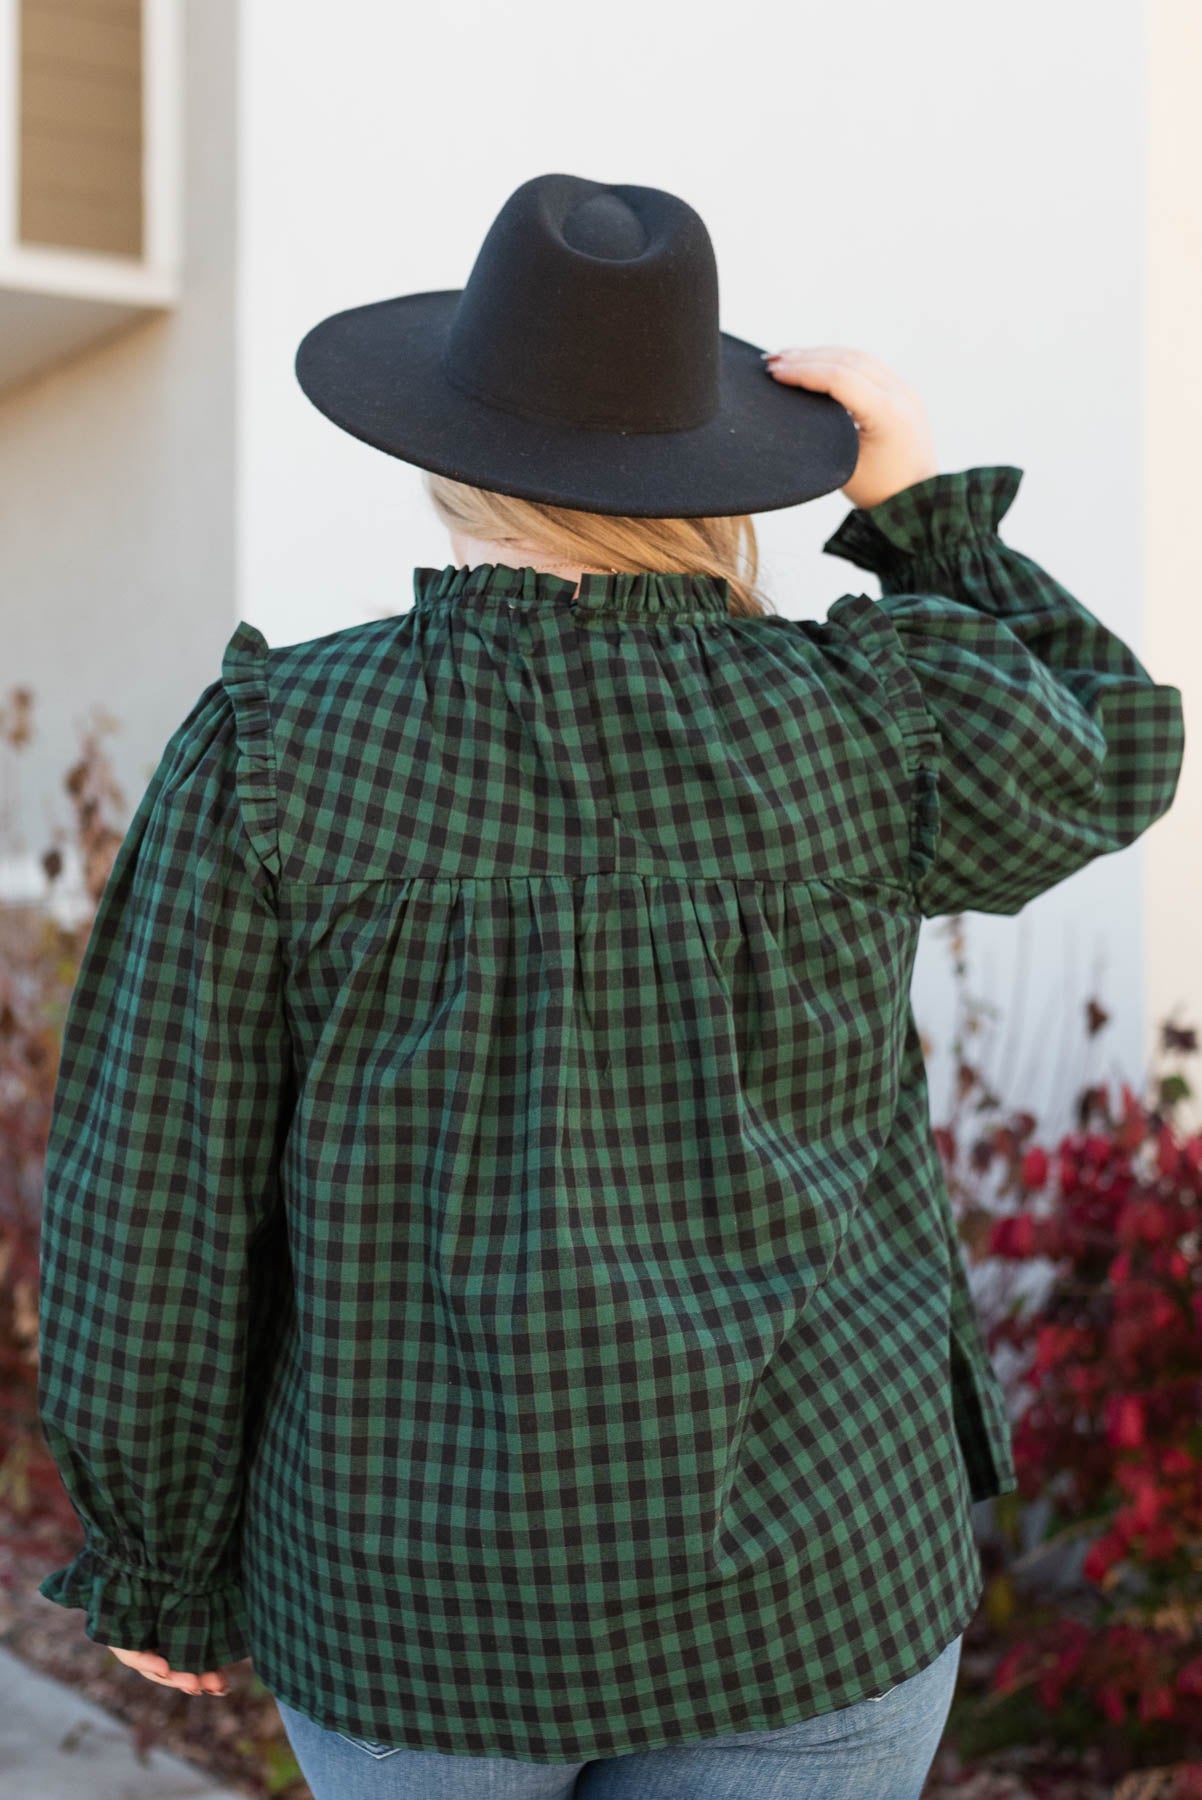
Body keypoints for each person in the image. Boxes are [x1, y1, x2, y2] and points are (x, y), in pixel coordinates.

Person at [36, 175, 1185, 1799]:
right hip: (817, 1577)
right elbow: (1116, 741)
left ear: (447, 450)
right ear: (709, 460)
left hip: (410, 1603)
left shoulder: (280, 751)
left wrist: (155, 1549)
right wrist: (922, 500)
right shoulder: (867, 723)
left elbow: (151, 1192)